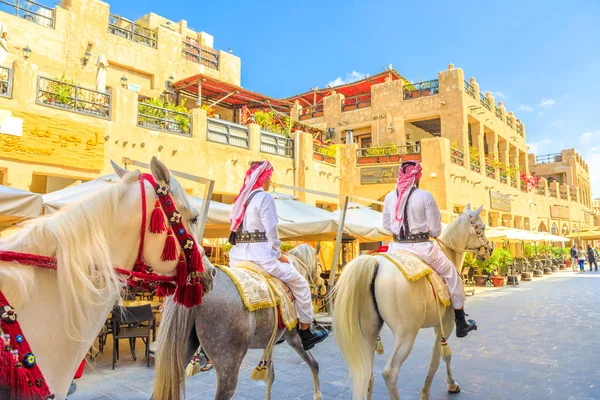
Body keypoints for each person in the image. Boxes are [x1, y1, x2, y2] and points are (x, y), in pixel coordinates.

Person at [228, 161, 327, 350]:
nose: (270, 182)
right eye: (270, 178)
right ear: (263, 178)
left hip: (238, 258)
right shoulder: (264, 198)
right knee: (301, 283)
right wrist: (277, 253)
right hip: (262, 257)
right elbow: (271, 230)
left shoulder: (241, 200)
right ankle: (305, 332)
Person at [382, 160, 477, 338]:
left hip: (395, 249)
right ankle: (461, 322)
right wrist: (425, 230)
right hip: (422, 249)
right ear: (418, 177)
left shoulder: (389, 197)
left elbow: (386, 224)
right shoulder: (425, 196)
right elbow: (436, 230)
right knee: (452, 273)